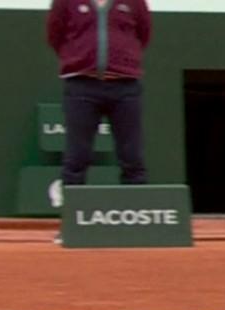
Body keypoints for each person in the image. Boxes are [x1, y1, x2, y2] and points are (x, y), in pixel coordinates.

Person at [46, 0, 151, 189]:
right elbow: (55, 35)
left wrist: (124, 59)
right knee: (77, 155)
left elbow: (144, 33)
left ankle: (136, 211)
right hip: (81, 85)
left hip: (125, 86)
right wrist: (76, 58)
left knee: (132, 155)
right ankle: (74, 211)